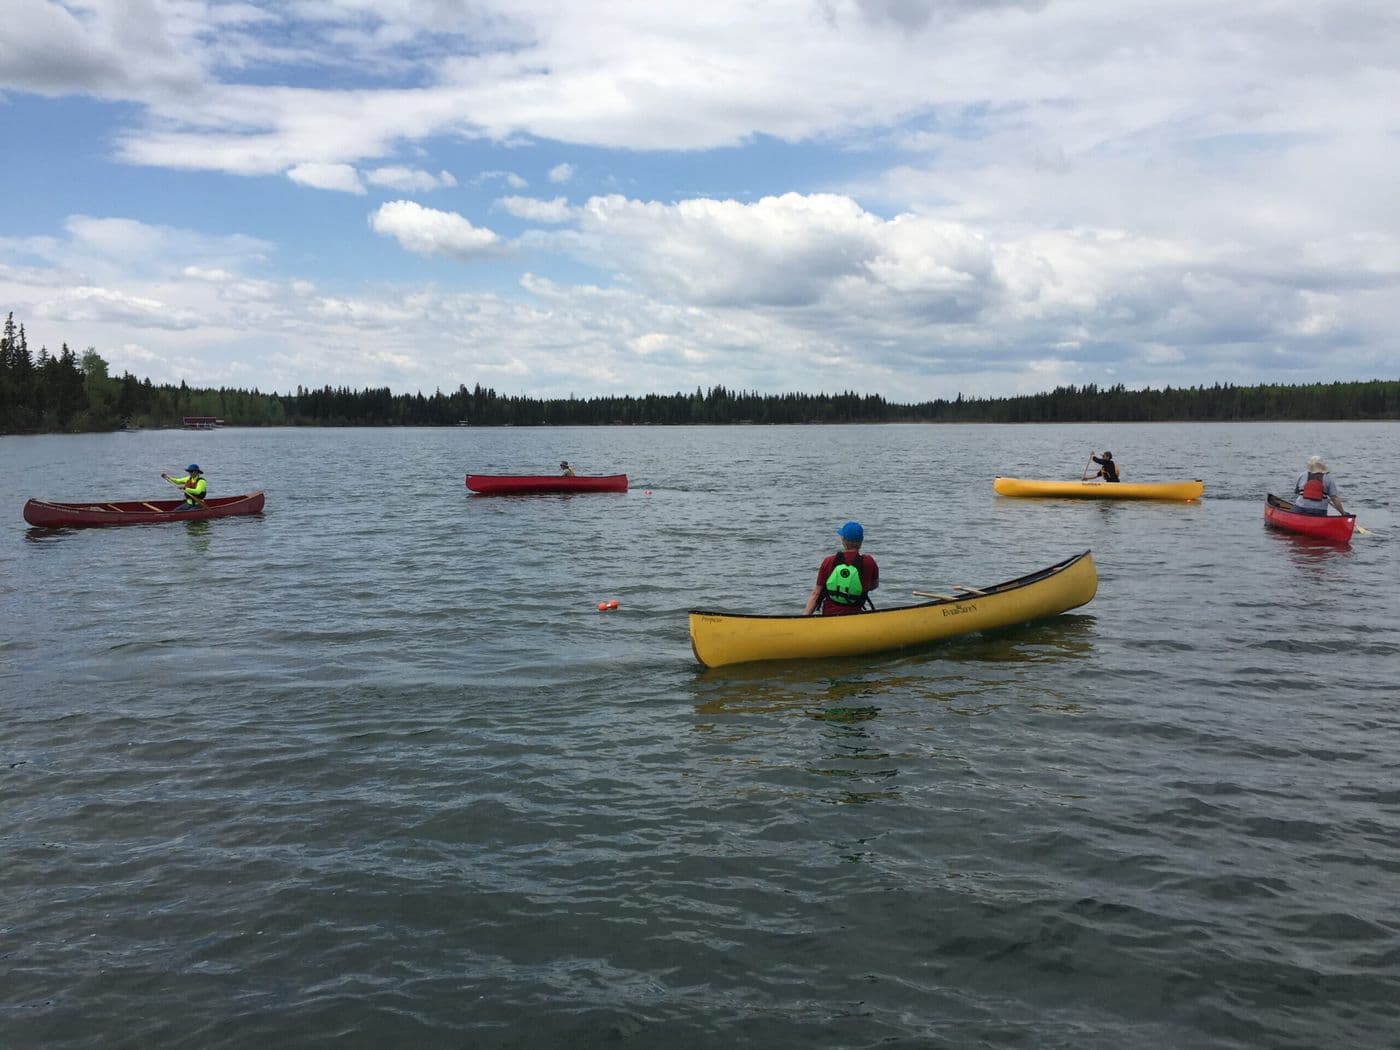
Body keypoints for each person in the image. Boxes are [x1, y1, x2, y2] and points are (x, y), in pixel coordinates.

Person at [804, 520, 879, 616]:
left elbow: (816, 594)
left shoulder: (829, 561)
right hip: (855, 617)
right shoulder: (869, 561)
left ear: (843, 540)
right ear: (861, 540)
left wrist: (805, 617)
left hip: (829, 617)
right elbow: (874, 585)